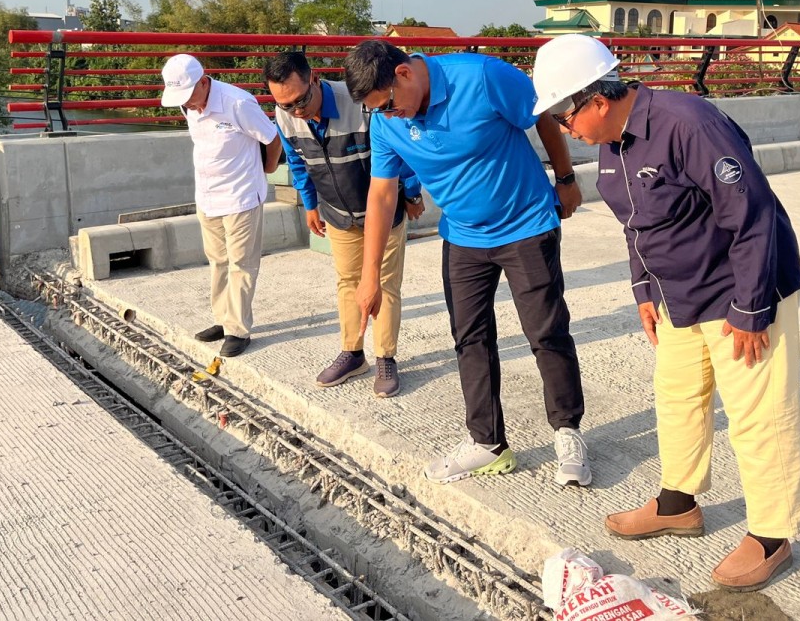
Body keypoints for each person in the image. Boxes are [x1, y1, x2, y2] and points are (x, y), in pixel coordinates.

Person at [530, 34, 800, 592]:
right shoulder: (611, 145)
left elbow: (750, 216)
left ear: (596, 101)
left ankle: (773, 536)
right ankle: (679, 503)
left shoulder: (690, 124)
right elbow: (636, 225)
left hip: (739, 290)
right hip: (679, 296)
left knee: (758, 413)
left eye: (563, 118)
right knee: (678, 399)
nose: (564, 131)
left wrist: (752, 308)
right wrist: (643, 289)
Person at [343, 40, 591, 487]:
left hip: (526, 225)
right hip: (463, 237)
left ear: (403, 74)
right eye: (378, 111)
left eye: (389, 106)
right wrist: (369, 278)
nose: (388, 116)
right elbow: (381, 195)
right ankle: (487, 443)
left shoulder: (482, 77)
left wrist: (567, 179)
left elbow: (545, 119)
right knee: (469, 339)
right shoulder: (384, 121)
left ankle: (568, 430)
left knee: (546, 332)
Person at [264, 50, 425, 397]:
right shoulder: (286, 114)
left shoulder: (359, 103)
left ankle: (385, 357)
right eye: (286, 105)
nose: (296, 110)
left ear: (315, 79)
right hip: (338, 214)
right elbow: (296, 161)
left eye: (300, 99)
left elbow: (400, 149)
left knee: (384, 284)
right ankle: (353, 353)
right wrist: (310, 205)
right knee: (347, 282)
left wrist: (411, 193)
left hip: (382, 211)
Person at [160, 53, 282, 359]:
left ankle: (238, 329)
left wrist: (266, 171)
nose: (186, 103)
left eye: (188, 95)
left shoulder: (237, 103)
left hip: (241, 196)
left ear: (204, 82)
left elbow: (272, 137)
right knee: (218, 261)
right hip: (208, 196)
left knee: (242, 263)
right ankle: (222, 319)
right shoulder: (187, 106)